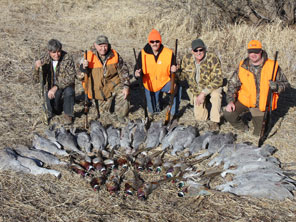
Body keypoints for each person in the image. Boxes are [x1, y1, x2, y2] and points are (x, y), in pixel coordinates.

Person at [224, 40, 289, 136]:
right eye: (251, 52)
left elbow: (285, 84)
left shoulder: (272, 66)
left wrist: (276, 86)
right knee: (228, 113)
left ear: (261, 51)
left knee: (258, 134)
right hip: (245, 100)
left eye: (256, 51)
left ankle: (258, 120)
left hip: (261, 105)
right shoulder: (243, 66)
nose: (253, 54)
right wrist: (230, 101)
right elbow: (232, 85)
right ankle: (243, 127)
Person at [78, 35, 130, 122]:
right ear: (95, 45)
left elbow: (124, 71)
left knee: (123, 93)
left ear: (108, 45)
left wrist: (126, 86)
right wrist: (83, 68)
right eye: (100, 46)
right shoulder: (87, 56)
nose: (103, 49)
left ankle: (121, 116)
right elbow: (79, 77)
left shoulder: (115, 55)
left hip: (112, 85)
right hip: (97, 90)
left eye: (105, 46)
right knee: (102, 115)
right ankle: (109, 105)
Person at [134, 29, 180, 119]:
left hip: (164, 82)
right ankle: (159, 101)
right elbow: (137, 69)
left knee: (176, 87)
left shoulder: (168, 53)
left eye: (157, 41)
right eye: (152, 41)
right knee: (154, 111)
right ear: (149, 42)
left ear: (160, 41)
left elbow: (175, 73)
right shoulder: (143, 54)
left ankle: (174, 113)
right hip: (149, 85)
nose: (155, 43)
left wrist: (175, 71)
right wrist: (136, 74)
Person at [179, 38, 223, 131]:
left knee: (216, 95)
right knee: (200, 119)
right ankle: (205, 115)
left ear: (205, 49)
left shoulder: (213, 58)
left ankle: (215, 122)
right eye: (196, 50)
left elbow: (218, 80)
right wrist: (174, 72)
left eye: (201, 50)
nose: (198, 52)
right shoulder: (187, 59)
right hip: (197, 89)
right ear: (192, 51)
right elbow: (182, 77)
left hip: (211, 86)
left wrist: (204, 93)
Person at [34, 39, 76, 125]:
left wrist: (56, 87)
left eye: (58, 51)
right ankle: (51, 112)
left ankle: (68, 114)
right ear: (49, 51)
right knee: (56, 110)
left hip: (64, 86)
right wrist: (37, 69)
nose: (57, 55)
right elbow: (36, 80)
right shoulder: (43, 59)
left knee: (69, 91)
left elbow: (71, 78)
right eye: (54, 52)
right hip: (51, 89)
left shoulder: (67, 57)